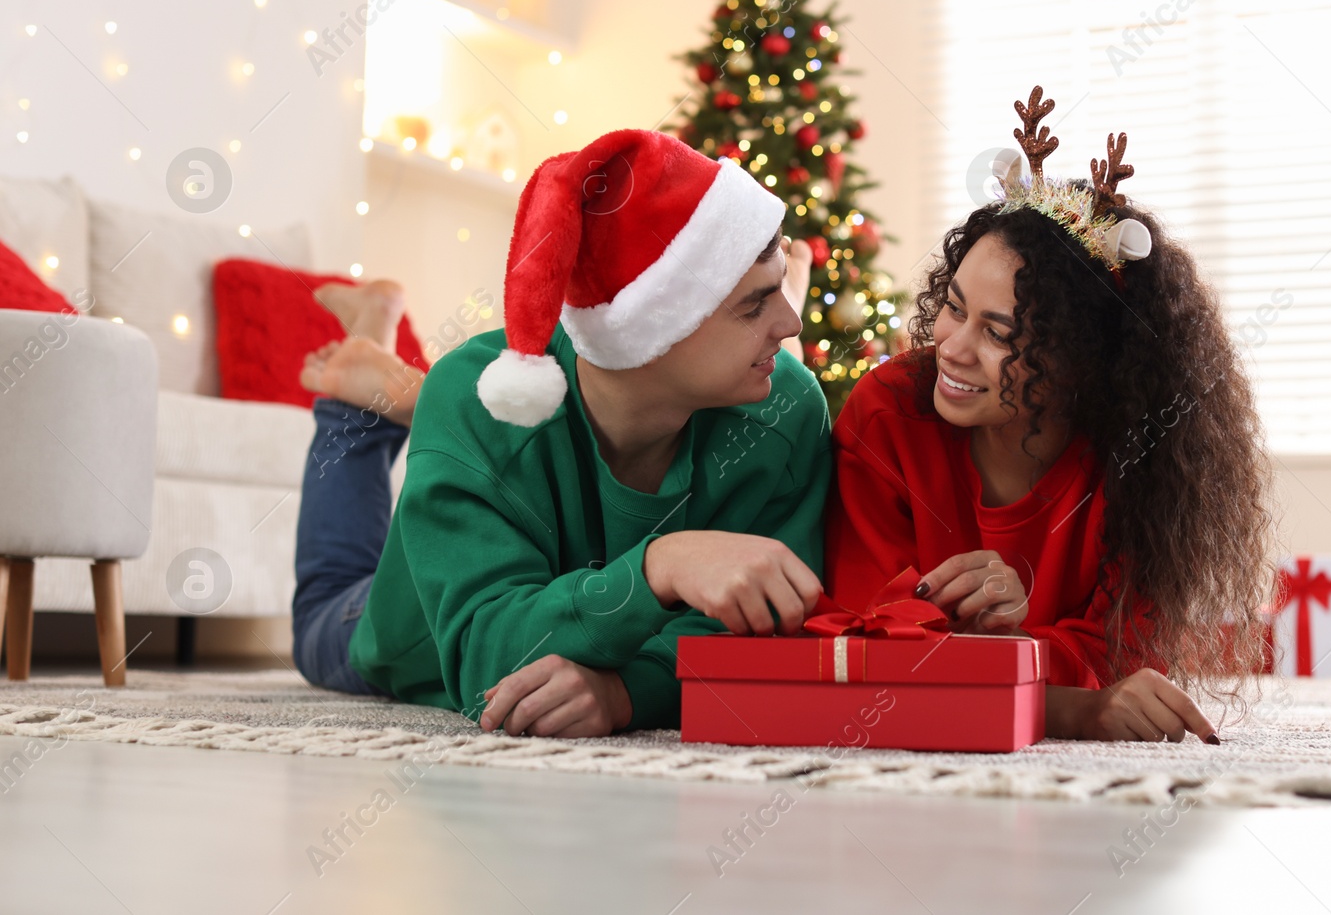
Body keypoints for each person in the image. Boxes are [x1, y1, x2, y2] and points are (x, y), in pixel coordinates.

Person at [292, 128, 829, 739]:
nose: (791, 324)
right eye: (757, 305)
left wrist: (626, 693)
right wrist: (660, 566)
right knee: (319, 618)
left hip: (562, 596)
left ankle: (385, 372)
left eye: (782, 289)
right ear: (655, 328)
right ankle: (351, 401)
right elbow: (486, 659)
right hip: (411, 633)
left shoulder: (785, 407)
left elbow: (774, 626)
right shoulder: (477, 395)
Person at [826, 88, 1276, 743]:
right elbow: (867, 646)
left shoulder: (1142, 459)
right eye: (953, 307)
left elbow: (1118, 658)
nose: (949, 346)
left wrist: (999, 644)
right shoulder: (886, 414)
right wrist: (1058, 696)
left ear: (1082, 363)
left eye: (997, 332)